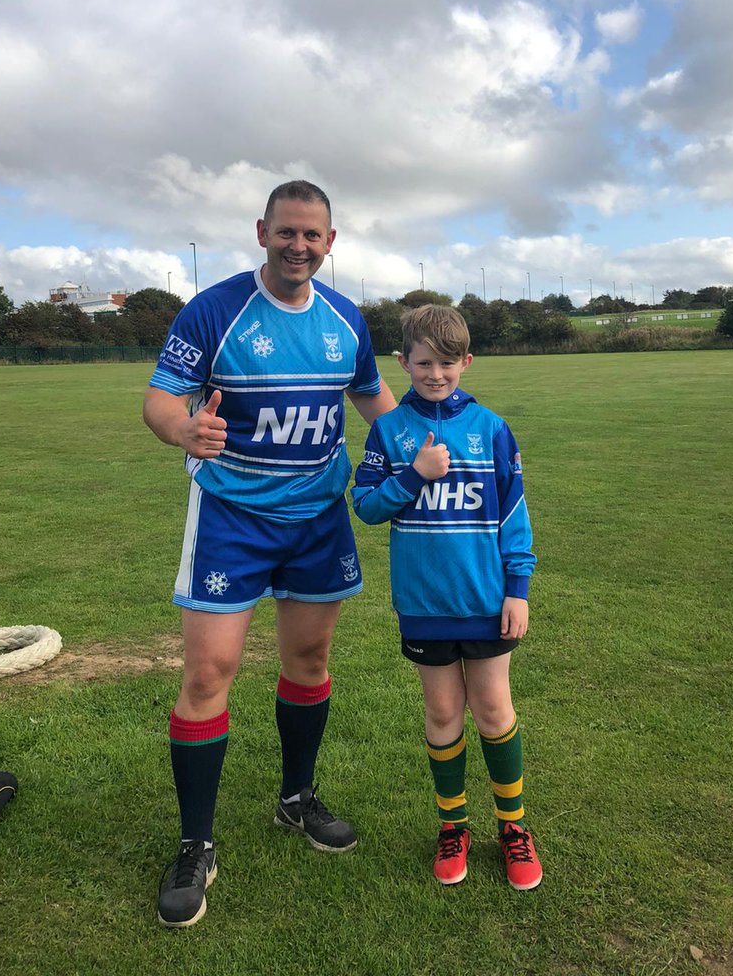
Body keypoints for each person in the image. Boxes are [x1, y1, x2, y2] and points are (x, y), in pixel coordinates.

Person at [144, 180, 396, 927]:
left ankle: (296, 798)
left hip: (317, 516)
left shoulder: (345, 319)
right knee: (209, 672)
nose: (298, 246)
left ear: (330, 241)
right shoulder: (215, 310)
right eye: (286, 232)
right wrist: (182, 431)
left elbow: (374, 401)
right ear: (262, 232)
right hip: (231, 515)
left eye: (312, 235)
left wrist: (431, 442)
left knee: (310, 664)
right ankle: (195, 843)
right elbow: (160, 398)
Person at [351, 305, 542, 890]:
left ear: (467, 361)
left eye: (448, 363)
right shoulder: (389, 430)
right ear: (402, 361)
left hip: (486, 601)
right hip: (424, 604)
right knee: (442, 713)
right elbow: (366, 506)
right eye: (424, 362)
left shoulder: (490, 428)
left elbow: (514, 515)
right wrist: (414, 474)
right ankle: (453, 825)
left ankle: (513, 828)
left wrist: (518, 590)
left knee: (493, 711)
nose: (436, 374)